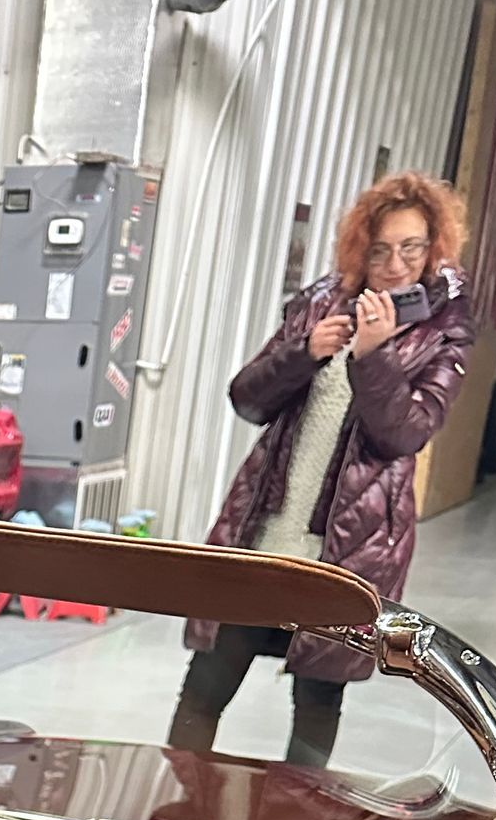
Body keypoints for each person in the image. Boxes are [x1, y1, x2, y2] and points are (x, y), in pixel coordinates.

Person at [171, 171, 471, 768]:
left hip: (352, 551)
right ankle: (174, 817)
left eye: (410, 248)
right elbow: (247, 399)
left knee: (316, 702)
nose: (393, 263)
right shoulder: (320, 301)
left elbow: (405, 433)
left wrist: (375, 356)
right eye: (381, 247)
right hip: (263, 537)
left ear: (433, 247)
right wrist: (302, 353)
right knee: (205, 685)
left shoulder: (444, 329)